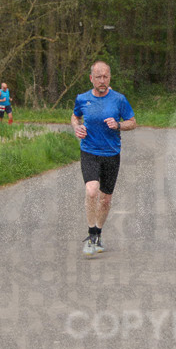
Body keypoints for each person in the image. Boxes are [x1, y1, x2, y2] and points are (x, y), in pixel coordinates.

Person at [71, 61, 136, 256]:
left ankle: (98, 232)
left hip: (111, 154)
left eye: (105, 76)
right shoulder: (82, 99)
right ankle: (91, 235)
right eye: (98, 77)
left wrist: (118, 125)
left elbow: (132, 122)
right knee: (92, 191)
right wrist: (76, 127)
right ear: (91, 78)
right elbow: (75, 117)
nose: (102, 80)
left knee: (105, 199)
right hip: (89, 152)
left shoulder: (119, 100)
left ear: (110, 78)